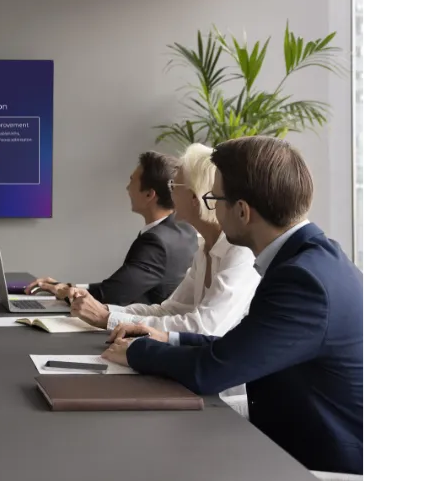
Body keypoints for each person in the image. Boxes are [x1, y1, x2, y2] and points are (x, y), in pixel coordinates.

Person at [101, 136, 365, 475]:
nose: (213, 209)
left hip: (311, 460)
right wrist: (166, 339)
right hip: (287, 426)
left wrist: (137, 352)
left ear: (242, 211)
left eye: (216, 199)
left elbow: (212, 371)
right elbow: (241, 346)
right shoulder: (313, 258)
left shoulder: (302, 280)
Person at [67, 143, 259, 335]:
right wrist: (107, 312)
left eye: (174, 185)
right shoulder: (205, 249)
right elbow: (168, 310)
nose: (169, 193)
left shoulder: (240, 253)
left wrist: (105, 319)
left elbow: (204, 328)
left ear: (195, 197)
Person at [27, 151, 198, 306]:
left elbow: (110, 296)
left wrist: (62, 290)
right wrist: (65, 286)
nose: (127, 188)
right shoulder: (185, 230)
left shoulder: (156, 242)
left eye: (132, 181)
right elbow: (116, 287)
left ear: (149, 194)